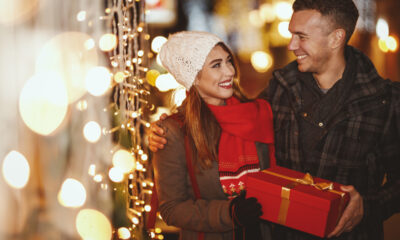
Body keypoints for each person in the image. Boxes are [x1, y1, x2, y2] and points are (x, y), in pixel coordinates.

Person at [148, 1, 400, 240]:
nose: (291, 45)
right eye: (292, 34)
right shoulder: (281, 88)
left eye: (301, 36)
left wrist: (367, 206)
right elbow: (226, 114)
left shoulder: (385, 101)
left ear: (336, 38)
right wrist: (163, 129)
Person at [151, 31, 275, 240]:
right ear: (194, 77)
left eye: (228, 61)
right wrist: (229, 213)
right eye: (216, 65)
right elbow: (171, 208)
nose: (229, 72)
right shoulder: (174, 131)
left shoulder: (256, 113)